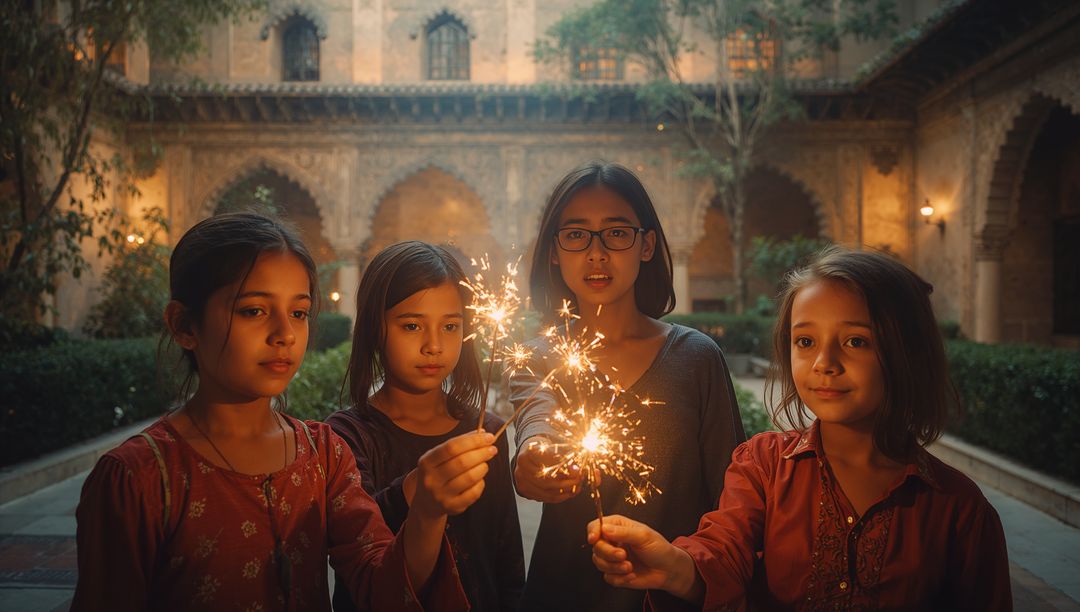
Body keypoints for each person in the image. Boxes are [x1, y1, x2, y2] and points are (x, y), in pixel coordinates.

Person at [73, 212, 495, 611]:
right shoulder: (139, 478)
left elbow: (381, 589)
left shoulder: (324, 456)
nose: (285, 334)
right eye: (254, 310)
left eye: (298, 312)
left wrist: (427, 511)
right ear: (184, 325)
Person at [586, 246, 1012, 610]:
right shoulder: (763, 467)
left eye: (856, 341)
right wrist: (676, 567)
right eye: (805, 342)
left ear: (906, 352)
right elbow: (724, 551)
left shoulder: (959, 511)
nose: (824, 363)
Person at [510, 161, 746, 611]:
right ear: (554, 251)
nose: (596, 254)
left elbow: (731, 500)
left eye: (616, 233)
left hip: (673, 597)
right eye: (576, 234)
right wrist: (533, 458)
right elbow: (536, 421)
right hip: (563, 595)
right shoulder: (538, 357)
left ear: (647, 245)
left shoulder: (696, 358)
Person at [326, 241, 525, 611]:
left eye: (451, 326)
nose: (434, 345)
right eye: (412, 325)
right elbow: (362, 555)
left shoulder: (487, 433)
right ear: (374, 327)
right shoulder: (345, 438)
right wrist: (416, 493)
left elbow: (507, 562)